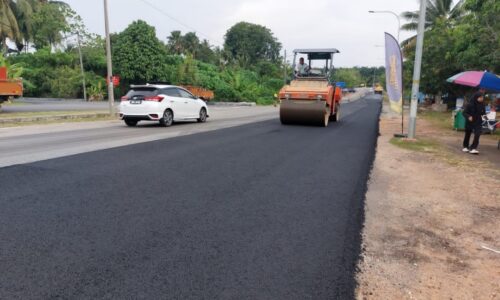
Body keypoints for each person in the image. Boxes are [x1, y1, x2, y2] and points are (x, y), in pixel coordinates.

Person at [462, 89, 486, 154]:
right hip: (470, 121)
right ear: (476, 97)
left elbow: (483, 113)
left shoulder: (482, 105)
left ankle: (473, 148)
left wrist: (484, 116)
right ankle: (465, 147)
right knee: (468, 134)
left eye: (482, 97)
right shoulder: (469, 105)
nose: (482, 99)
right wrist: (468, 116)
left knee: (477, 134)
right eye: (480, 97)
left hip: (478, 121)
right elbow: (464, 113)